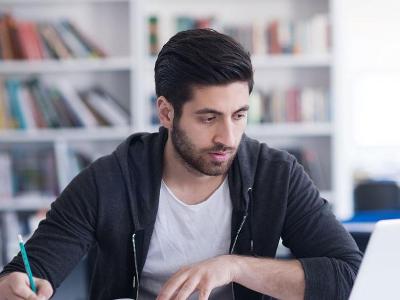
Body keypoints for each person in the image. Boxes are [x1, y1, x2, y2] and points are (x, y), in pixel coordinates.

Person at [0, 29, 362, 300]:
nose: (229, 137)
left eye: (238, 115)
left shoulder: (276, 175)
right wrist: (14, 286)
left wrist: (233, 266)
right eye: (209, 118)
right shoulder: (108, 180)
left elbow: (348, 275)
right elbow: (25, 273)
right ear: (166, 112)